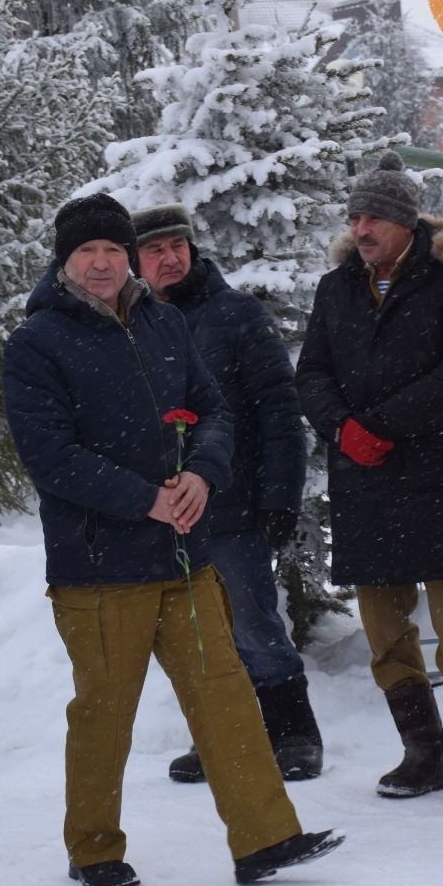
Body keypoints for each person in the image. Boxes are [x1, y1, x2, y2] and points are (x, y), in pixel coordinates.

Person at [3, 193, 343, 886]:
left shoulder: (162, 322)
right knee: (104, 712)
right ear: (64, 261)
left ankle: (265, 838)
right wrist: (147, 498)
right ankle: (94, 847)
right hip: (98, 567)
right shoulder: (37, 341)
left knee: (226, 696)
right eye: (86, 252)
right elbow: (51, 456)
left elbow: (215, 409)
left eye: (111, 250)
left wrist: (201, 474)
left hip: (184, 558)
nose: (101, 264)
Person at [295, 152, 443, 804]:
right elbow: (312, 375)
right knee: (385, 630)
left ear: (405, 222)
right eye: (355, 217)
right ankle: (423, 755)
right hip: (365, 481)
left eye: (375, 218)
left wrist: (385, 423)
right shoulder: (336, 289)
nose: (361, 229)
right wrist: (344, 429)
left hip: (438, 477)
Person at [128, 203, 323, 784]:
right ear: (137, 261)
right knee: (196, 637)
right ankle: (221, 737)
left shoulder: (236, 314)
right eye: (155, 250)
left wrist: (281, 495)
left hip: (233, 506)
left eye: (177, 246)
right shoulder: (129, 326)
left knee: (253, 625)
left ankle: (294, 733)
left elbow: (279, 411)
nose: (170, 258)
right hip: (163, 514)